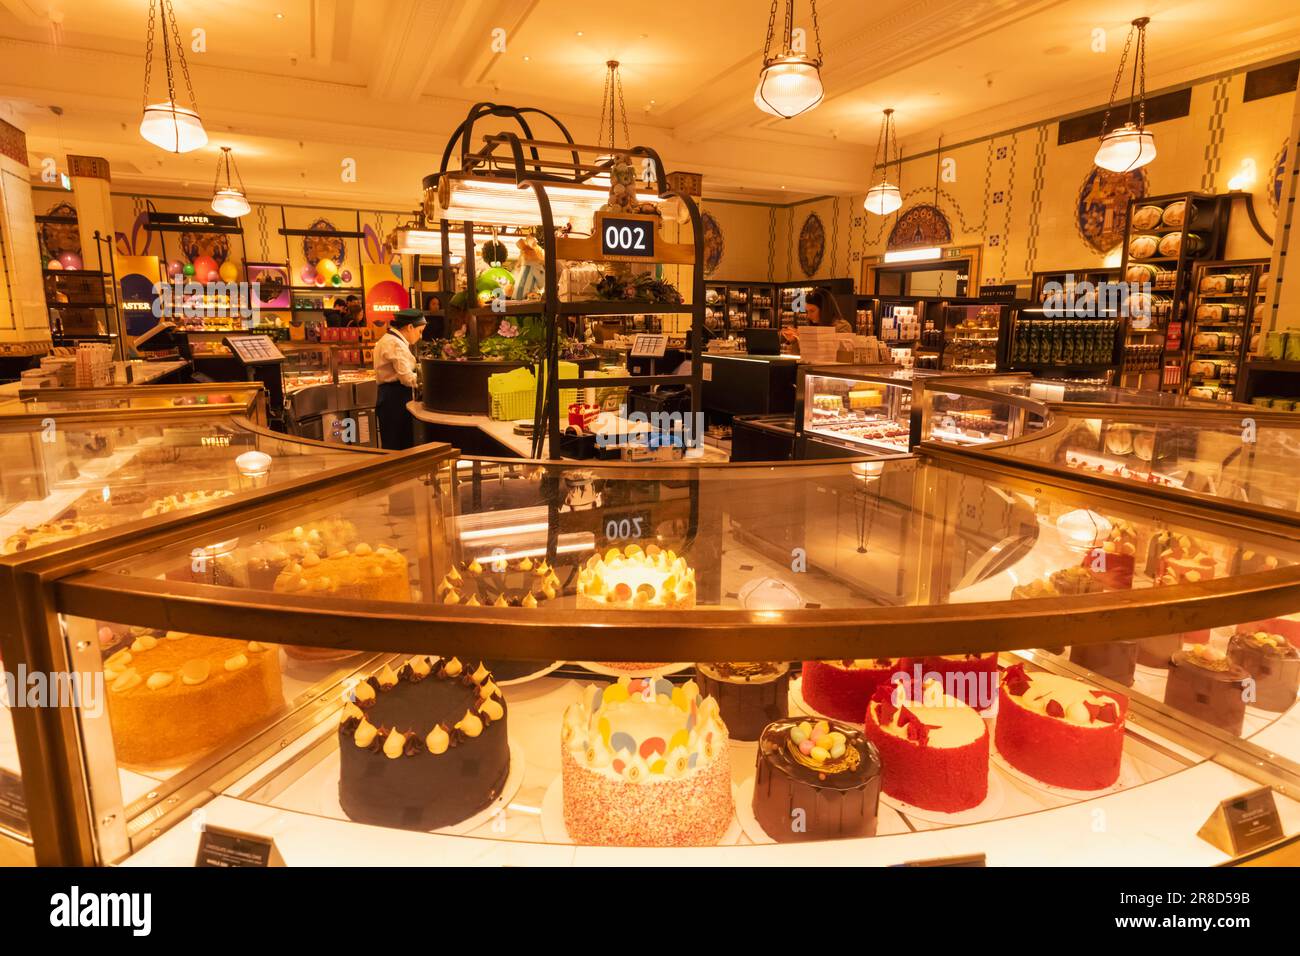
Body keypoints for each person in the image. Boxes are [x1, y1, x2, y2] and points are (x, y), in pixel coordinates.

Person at [374, 309, 425, 450]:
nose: (420, 336)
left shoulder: (389, 339)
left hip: (389, 397)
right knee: (398, 446)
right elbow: (407, 378)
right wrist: (429, 380)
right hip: (395, 399)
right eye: (420, 331)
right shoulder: (395, 343)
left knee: (392, 443)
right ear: (410, 327)